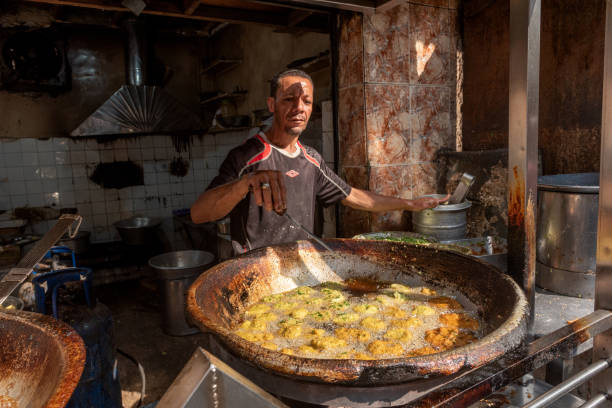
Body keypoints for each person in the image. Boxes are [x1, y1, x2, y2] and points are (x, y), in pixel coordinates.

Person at [191, 69, 448, 254]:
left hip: (302, 268)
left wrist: (409, 204)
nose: (299, 108)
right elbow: (199, 214)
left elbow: (354, 196)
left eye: (306, 101)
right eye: (289, 100)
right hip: (256, 271)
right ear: (272, 104)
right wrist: (245, 183)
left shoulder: (311, 159)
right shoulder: (246, 156)